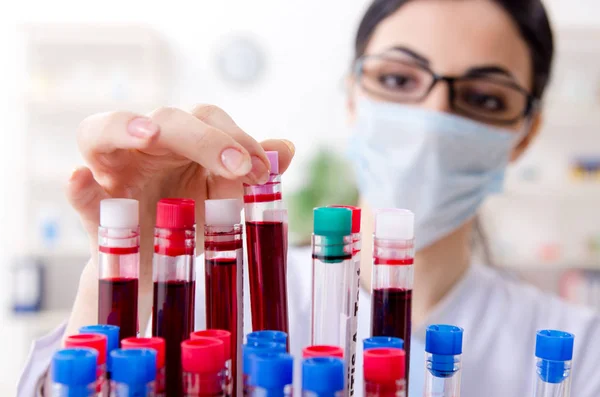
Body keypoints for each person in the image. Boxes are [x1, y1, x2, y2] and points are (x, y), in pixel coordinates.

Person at [18, 0, 600, 396]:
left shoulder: (585, 348)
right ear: (352, 97)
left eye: (484, 97)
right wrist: (130, 275)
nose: (432, 119)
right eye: (399, 79)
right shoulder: (202, 311)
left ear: (526, 132)